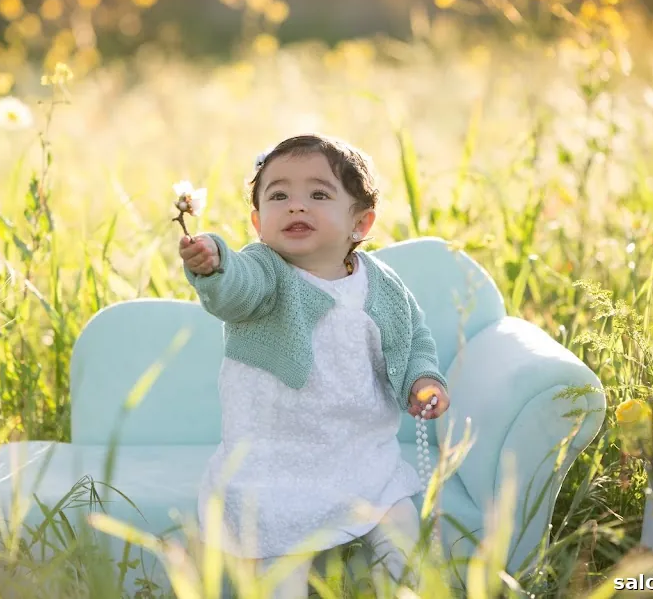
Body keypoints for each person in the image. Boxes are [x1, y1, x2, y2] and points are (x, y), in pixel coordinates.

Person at [178, 133, 450, 599]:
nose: (296, 206)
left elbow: (413, 339)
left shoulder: (380, 283)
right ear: (258, 221)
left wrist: (422, 379)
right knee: (278, 575)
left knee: (407, 550)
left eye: (318, 194)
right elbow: (235, 291)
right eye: (279, 195)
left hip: (362, 456)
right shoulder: (264, 270)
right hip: (274, 464)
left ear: (360, 222)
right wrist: (215, 264)